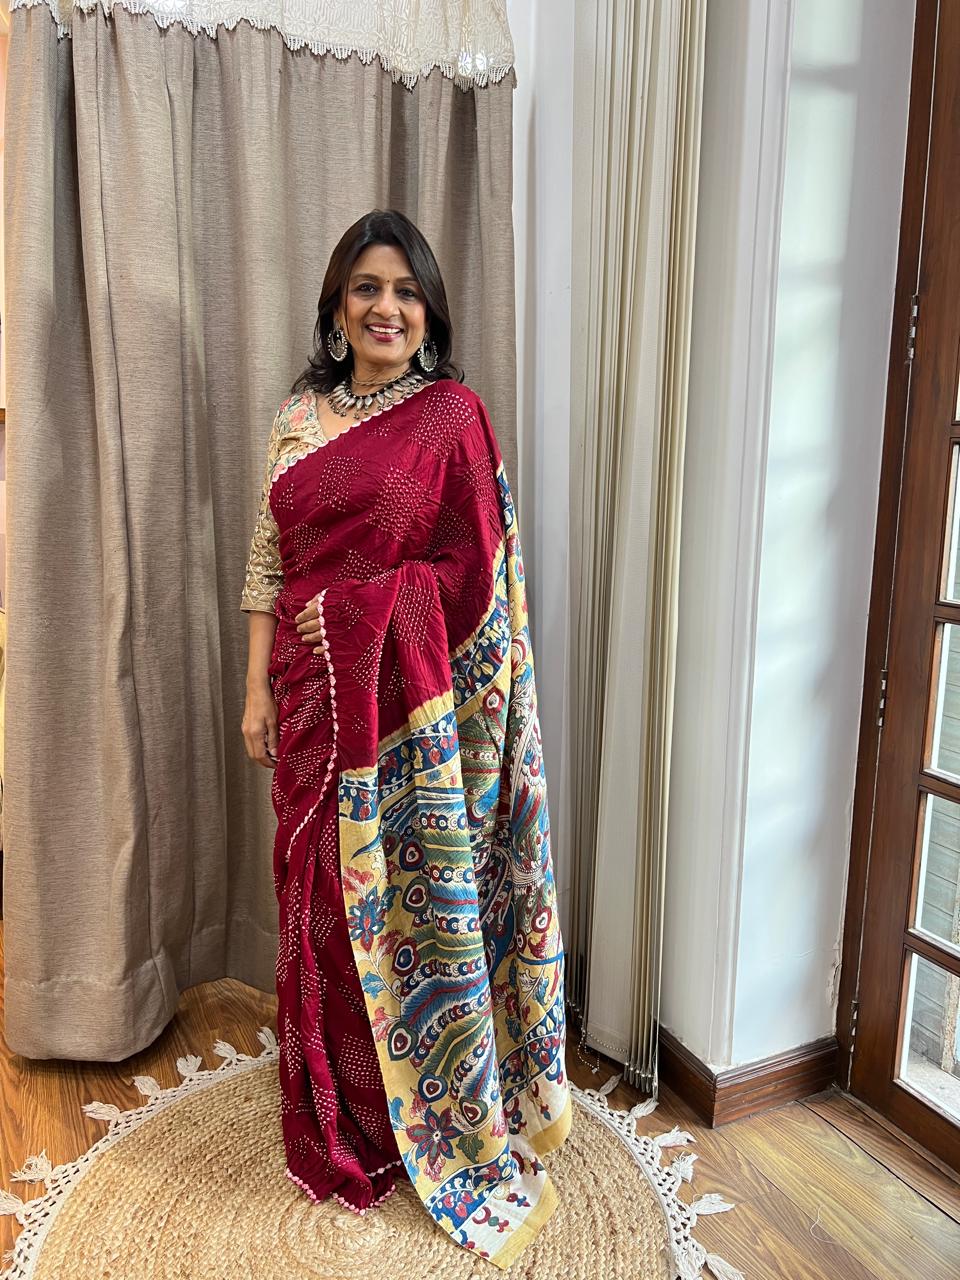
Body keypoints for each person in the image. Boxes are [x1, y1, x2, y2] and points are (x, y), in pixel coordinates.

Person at [240, 209, 570, 1269]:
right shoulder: (298, 417)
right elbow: (267, 565)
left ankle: (409, 1120)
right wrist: (255, 690)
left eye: (406, 291)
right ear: (338, 307)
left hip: (402, 715)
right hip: (306, 699)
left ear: (428, 310)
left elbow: (475, 579)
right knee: (316, 903)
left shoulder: (451, 418)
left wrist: (359, 613)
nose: (386, 308)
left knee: (396, 899)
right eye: (366, 289)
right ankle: (330, 1112)